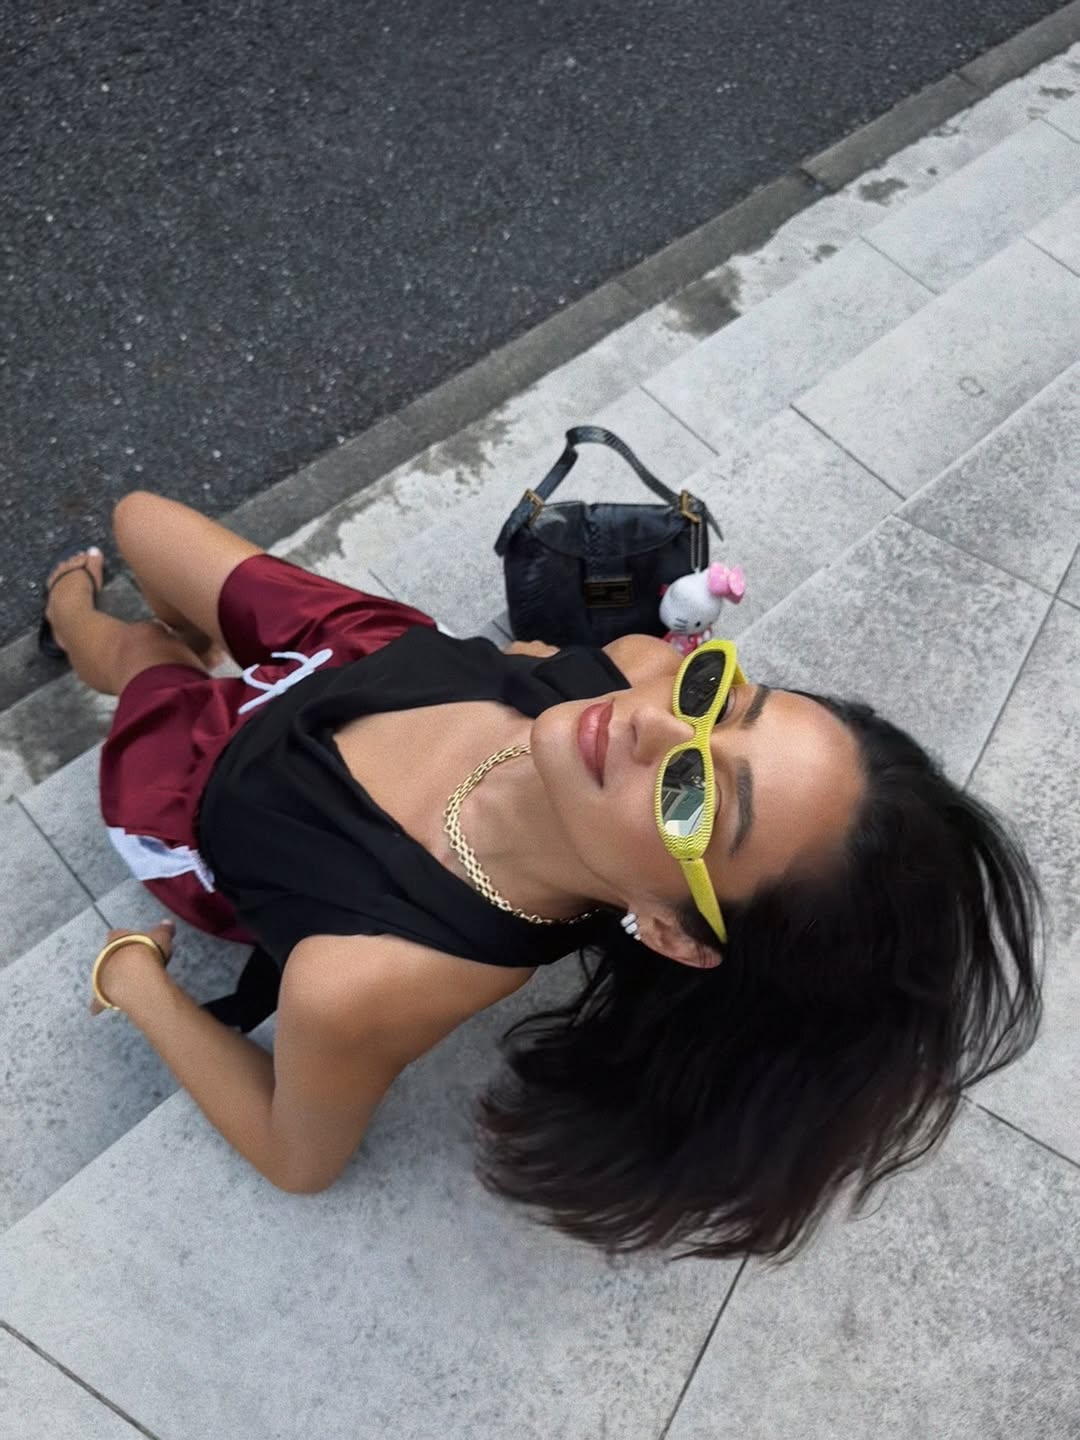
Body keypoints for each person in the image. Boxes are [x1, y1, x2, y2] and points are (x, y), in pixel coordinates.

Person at [39, 491, 1043, 1261]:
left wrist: (136, 982)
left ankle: (88, 632)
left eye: (693, 795)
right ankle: (202, 646)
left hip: (204, 791)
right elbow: (563, 665)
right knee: (139, 522)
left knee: (136, 653)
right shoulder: (641, 670)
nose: (655, 723)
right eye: (724, 699)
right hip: (358, 652)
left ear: (670, 930)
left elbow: (298, 1158)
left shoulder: (375, 971)